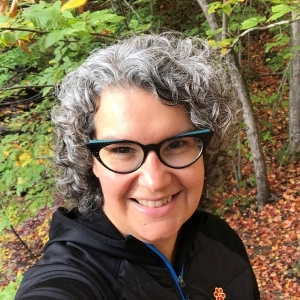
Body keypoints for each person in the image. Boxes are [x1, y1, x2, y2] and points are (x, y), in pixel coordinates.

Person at [15, 33, 260, 300]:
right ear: (89, 160)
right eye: (122, 150)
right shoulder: (73, 278)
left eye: (176, 145)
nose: (155, 181)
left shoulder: (221, 241)